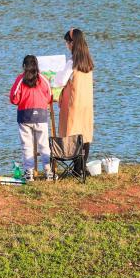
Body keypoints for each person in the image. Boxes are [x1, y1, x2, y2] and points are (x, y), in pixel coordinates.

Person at [57, 28, 95, 172]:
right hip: (87, 103)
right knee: (85, 133)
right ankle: (82, 167)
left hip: (75, 103)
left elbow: (60, 81)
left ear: (72, 43)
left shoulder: (72, 62)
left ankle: (77, 168)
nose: (67, 45)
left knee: (73, 132)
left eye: (67, 42)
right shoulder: (88, 62)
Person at [9, 55, 52, 181]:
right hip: (41, 116)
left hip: (25, 116)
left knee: (27, 146)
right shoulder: (43, 79)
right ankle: (48, 171)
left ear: (24, 66)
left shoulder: (20, 79)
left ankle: (29, 173)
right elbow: (49, 96)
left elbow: (13, 98)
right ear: (36, 65)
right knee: (44, 145)